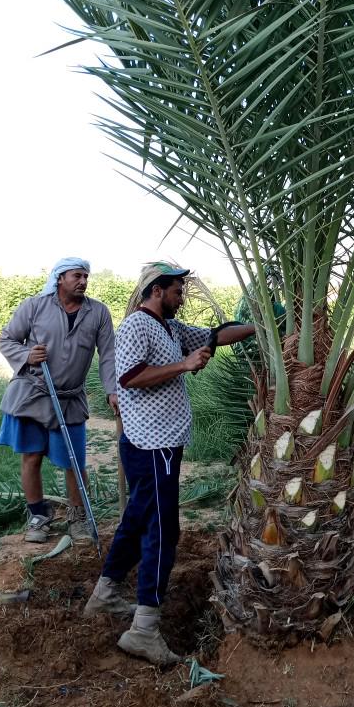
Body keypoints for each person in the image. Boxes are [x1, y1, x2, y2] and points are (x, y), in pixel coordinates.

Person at [83, 262, 255, 666]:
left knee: (139, 519)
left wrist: (260, 328)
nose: (182, 297)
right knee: (163, 529)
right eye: (178, 290)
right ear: (158, 290)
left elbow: (215, 336)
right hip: (150, 444)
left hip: (162, 443)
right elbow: (129, 377)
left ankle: (105, 593)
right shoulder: (136, 327)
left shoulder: (171, 329)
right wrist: (183, 365)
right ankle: (144, 627)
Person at [0, 256, 118, 543]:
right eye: (77, 276)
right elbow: (7, 339)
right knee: (32, 456)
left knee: (74, 462)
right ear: (60, 278)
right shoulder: (34, 306)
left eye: (86, 277)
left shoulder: (98, 313)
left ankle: (77, 518)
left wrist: (112, 390)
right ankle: (38, 516)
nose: (83, 281)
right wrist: (27, 355)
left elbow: (109, 355)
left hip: (70, 398)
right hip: (31, 393)